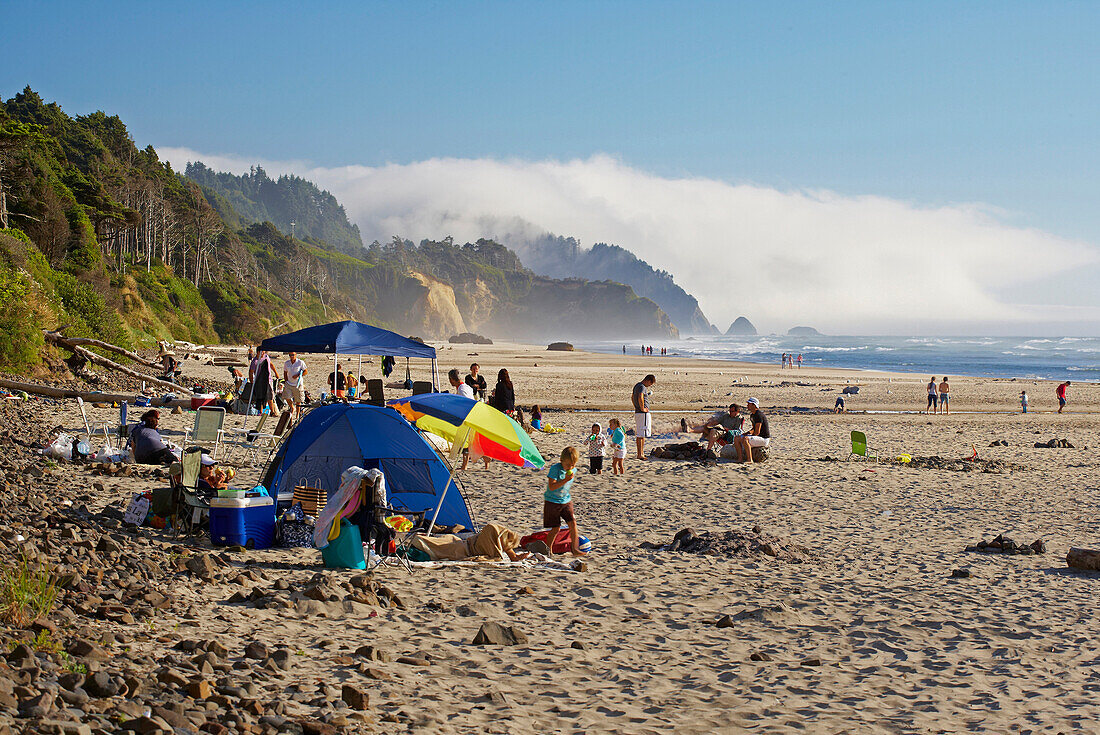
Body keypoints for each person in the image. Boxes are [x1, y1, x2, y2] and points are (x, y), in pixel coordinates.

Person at [543, 447, 586, 556]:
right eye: (568, 465)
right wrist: (565, 479)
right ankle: (549, 550)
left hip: (565, 500)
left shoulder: (573, 470)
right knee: (555, 528)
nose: (570, 467)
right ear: (561, 460)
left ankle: (574, 549)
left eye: (573, 465)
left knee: (573, 524)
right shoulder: (555, 469)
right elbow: (552, 486)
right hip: (552, 501)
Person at [734, 397, 770, 464]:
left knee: (745, 439)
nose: (747, 405)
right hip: (758, 437)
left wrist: (748, 437)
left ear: (754, 405)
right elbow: (753, 429)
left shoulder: (759, 415)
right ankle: (740, 459)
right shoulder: (752, 415)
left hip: (764, 439)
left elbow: (757, 432)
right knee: (736, 438)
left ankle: (749, 459)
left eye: (749, 404)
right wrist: (746, 433)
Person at [632, 374, 656, 459]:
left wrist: (636, 406)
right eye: (650, 383)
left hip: (638, 412)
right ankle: (640, 454)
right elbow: (640, 396)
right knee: (642, 434)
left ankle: (640, 453)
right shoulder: (642, 387)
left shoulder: (636, 386)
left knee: (640, 433)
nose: (650, 385)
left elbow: (632, 397)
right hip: (643, 414)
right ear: (648, 380)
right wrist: (642, 408)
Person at [282, 351, 307, 420]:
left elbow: (305, 371)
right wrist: (286, 380)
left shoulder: (300, 362)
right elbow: (285, 372)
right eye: (290, 355)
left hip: (298, 384)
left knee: (298, 400)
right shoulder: (286, 363)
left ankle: (297, 414)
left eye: (293, 355)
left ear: (296, 355)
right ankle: (292, 407)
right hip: (289, 383)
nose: (291, 356)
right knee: (287, 397)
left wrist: (298, 375)